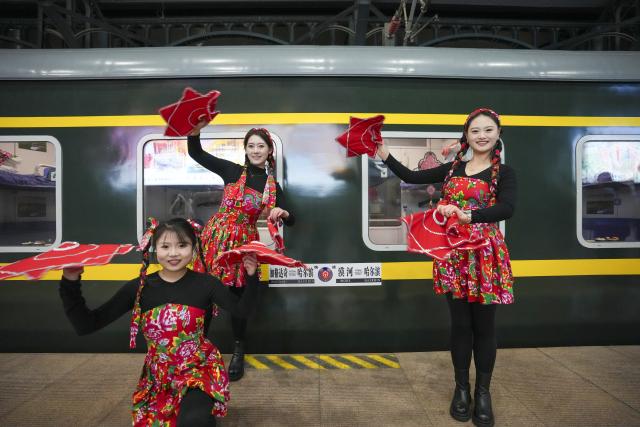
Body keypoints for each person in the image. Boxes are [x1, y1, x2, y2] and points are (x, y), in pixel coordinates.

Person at [377, 108, 516, 427]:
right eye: (475, 130)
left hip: (484, 257)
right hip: (453, 256)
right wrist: (383, 152)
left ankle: (483, 393)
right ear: (466, 136)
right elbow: (411, 177)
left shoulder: (504, 173)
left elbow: (507, 208)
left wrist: (471, 216)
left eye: (488, 130)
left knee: (484, 328)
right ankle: (461, 389)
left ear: (497, 134)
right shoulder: (453, 168)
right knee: (460, 326)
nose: (482, 135)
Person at [59, 218, 262, 426]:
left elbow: (242, 311)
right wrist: (70, 281)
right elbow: (86, 325)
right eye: (165, 246)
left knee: (194, 421)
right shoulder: (140, 288)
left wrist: (252, 277)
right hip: (158, 379)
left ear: (194, 247)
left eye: (182, 245)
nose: (173, 253)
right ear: (155, 249)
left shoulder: (207, 284)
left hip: (198, 370)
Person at [188, 122, 295, 381]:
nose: (255, 150)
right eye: (251, 146)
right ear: (245, 149)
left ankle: (238, 349)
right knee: (204, 295)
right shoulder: (231, 170)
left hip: (243, 241)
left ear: (269, 150)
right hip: (214, 238)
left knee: (237, 297)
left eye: (261, 146)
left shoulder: (272, 187)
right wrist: (193, 133)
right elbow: (197, 154)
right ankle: (198, 350)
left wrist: (283, 212)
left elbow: (292, 218)